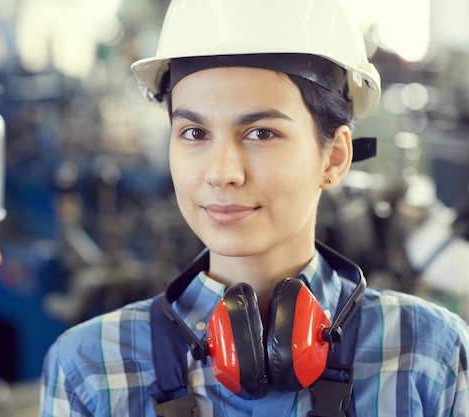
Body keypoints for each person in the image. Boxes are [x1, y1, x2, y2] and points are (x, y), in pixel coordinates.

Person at [39, 0, 469, 415]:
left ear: (335, 158)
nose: (222, 172)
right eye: (193, 132)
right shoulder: (90, 370)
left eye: (261, 133)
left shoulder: (428, 356)